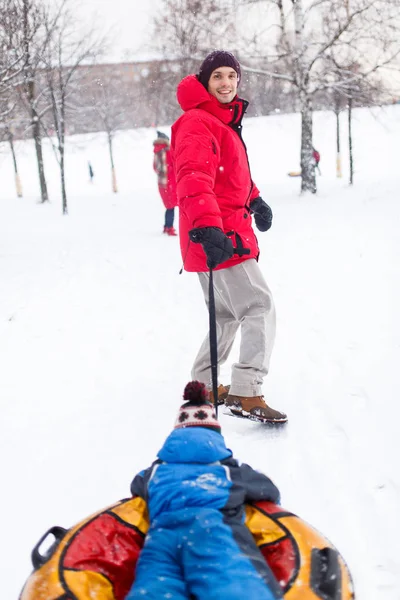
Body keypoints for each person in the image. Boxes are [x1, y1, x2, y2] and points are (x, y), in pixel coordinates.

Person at [171, 50, 287, 423]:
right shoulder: (198, 122)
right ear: (205, 81)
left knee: (224, 315)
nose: (225, 83)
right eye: (217, 76)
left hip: (218, 232)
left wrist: (256, 200)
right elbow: (192, 176)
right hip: (219, 235)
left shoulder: (220, 122)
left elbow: (228, 178)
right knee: (259, 307)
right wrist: (207, 227)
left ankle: (205, 384)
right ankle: (247, 392)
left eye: (231, 76)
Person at [126, 381, 283, 600]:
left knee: (153, 586)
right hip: (211, 530)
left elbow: (136, 488)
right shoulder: (229, 471)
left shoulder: (153, 473)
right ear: (215, 438)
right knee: (229, 583)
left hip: (162, 537)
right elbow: (268, 490)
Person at [153, 130, 178, 236]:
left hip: (162, 183)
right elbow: (173, 166)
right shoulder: (168, 150)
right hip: (170, 183)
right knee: (171, 206)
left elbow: (155, 167)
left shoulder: (156, 152)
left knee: (169, 206)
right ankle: (169, 227)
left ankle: (167, 226)